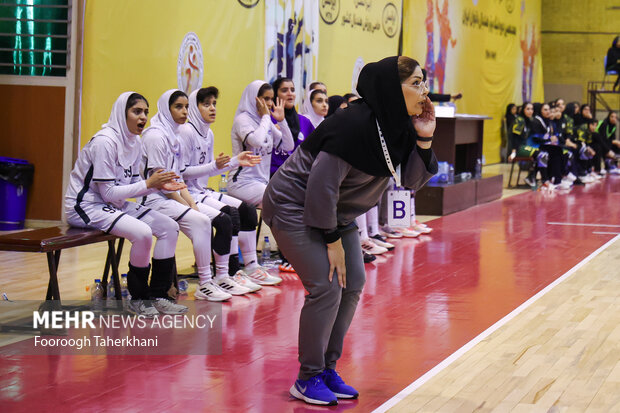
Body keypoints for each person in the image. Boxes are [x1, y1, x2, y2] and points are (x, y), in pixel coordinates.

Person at [262, 56, 438, 406]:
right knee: (327, 286)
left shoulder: (398, 126)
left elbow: (412, 182)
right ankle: (307, 376)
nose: (425, 91)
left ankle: (327, 368)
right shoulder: (352, 123)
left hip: (337, 215)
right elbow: (321, 185)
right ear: (392, 87)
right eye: (416, 83)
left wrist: (425, 137)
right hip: (293, 206)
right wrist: (331, 241)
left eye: (424, 82)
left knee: (353, 282)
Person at [65, 92, 185, 317]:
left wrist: (158, 186)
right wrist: (149, 183)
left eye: (146, 112)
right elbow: (108, 192)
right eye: (136, 111)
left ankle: (159, 296)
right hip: (85, 206)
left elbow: (131, 185)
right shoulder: (105, 141)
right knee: (142, 233)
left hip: (112, 203)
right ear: (123, 113)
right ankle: (138, 299)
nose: (143, 117)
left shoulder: (135, 142)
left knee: (169, 227)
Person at [141, 89, 234, 302]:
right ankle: (205, 282)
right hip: (153, 198)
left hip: (170, 196)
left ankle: (212, 280)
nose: (184, 112)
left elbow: (177, 178)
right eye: (178, 107)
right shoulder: (156, 136)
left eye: (186, 107)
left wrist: (191, 202)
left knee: (205, 218)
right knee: (201, 221)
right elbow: (162, 182)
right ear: (166, 108)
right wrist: (186, 204)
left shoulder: (172, 136)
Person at [180, 87, 270, 292]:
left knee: (246, 210)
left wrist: (235, 161)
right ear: (195, 107)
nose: (212, 108)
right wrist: (220, 165)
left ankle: (249, 267)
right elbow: (182, 173)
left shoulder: (208, 133)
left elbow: (209, 170)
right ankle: (224, 274)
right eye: (206, 104)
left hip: (201, 190)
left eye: (214, 104)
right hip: (186, 194)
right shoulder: (186, 132)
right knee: (227, 217)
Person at [227, 80, 294, 210]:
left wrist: (282, 121)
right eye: (265, 99)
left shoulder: (265, 121)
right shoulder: (243, 120)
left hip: (261, 183)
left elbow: (288, 146)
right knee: (281, 199)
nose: (269, 103)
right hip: (241, 182)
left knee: (290, 196)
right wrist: (266, 117)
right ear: (254, 99)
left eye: (271, 99)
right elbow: (256, 142)